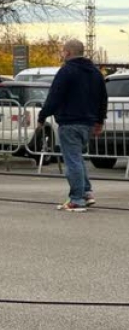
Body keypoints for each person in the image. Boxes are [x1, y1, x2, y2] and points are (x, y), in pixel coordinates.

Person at [37, 39, 107, 212]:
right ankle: (87, 192)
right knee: (78, 158)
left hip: (70, 122)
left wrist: (42, 115)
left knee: (72, 161)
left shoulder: (66, 71)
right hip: (88, 123)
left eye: (62, 51)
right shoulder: (96, 73)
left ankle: (76, 200)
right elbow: (103, 98)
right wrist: (99, 120)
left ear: (68, 52)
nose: (62, 54)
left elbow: (55, 96)